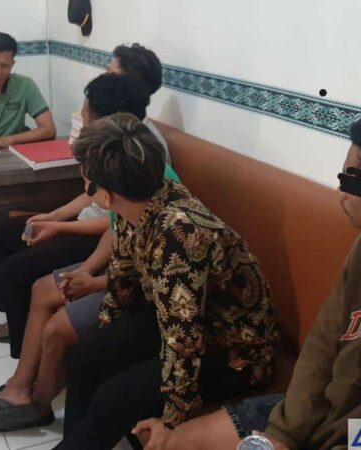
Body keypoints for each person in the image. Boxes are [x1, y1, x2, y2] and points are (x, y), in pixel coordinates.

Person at [133, 105, 361, 450]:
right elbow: (321, 347)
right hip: (321, 411)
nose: (341, 189)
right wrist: (286, 433)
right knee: (174, 443)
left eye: (351, 177)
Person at [0, 75, 181, 432]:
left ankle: (37, 401)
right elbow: (116, 230)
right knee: (41, 287)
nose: (81, 118)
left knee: (57, 326)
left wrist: (92, 282)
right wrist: (87, 271)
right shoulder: (122, 165)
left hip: (144, 287)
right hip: (124, 269)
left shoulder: (152, 185)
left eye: (85, 114)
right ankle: (21, 385)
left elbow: (155, 274)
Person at [52, 113, 278, 449]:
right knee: (86, 356)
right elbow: (122, 285)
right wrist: (109, 343)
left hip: (235, 350)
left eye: (87, 181)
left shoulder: (179, 235)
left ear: (106, 195)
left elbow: (184, 342)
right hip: (183, 322)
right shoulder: (138, 202)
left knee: (112, 398)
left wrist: (173, 423)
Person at [0, 42, 169, 345]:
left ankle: (21, 338)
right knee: (2, 231)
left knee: (17, 268)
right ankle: (14, 319)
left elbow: (119, 220)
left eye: (111, 73)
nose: (104, 78)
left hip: (102, 235)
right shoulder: (113, 133)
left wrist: (59, 227)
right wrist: (54, 216)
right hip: (91, 222)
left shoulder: (143, 147)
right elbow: (93, 194)